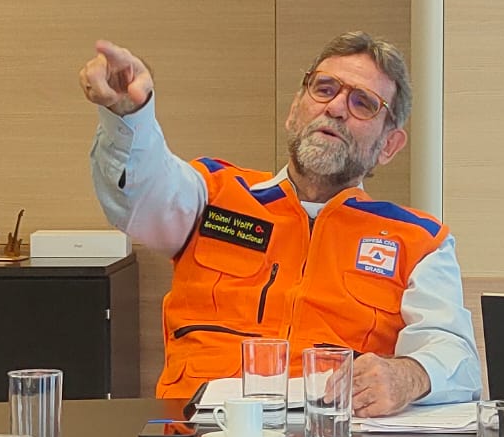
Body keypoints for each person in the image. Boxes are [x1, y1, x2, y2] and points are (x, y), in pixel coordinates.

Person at [82, 30, 480, 415]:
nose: (336, 108)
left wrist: (407, 376)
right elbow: (138, 192)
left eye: (363, 103)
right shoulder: (212, 194)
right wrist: (130, 115)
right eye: (324, 88)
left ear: (389, 145)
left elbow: (455, 356)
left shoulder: (419, 240)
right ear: (294, 111)